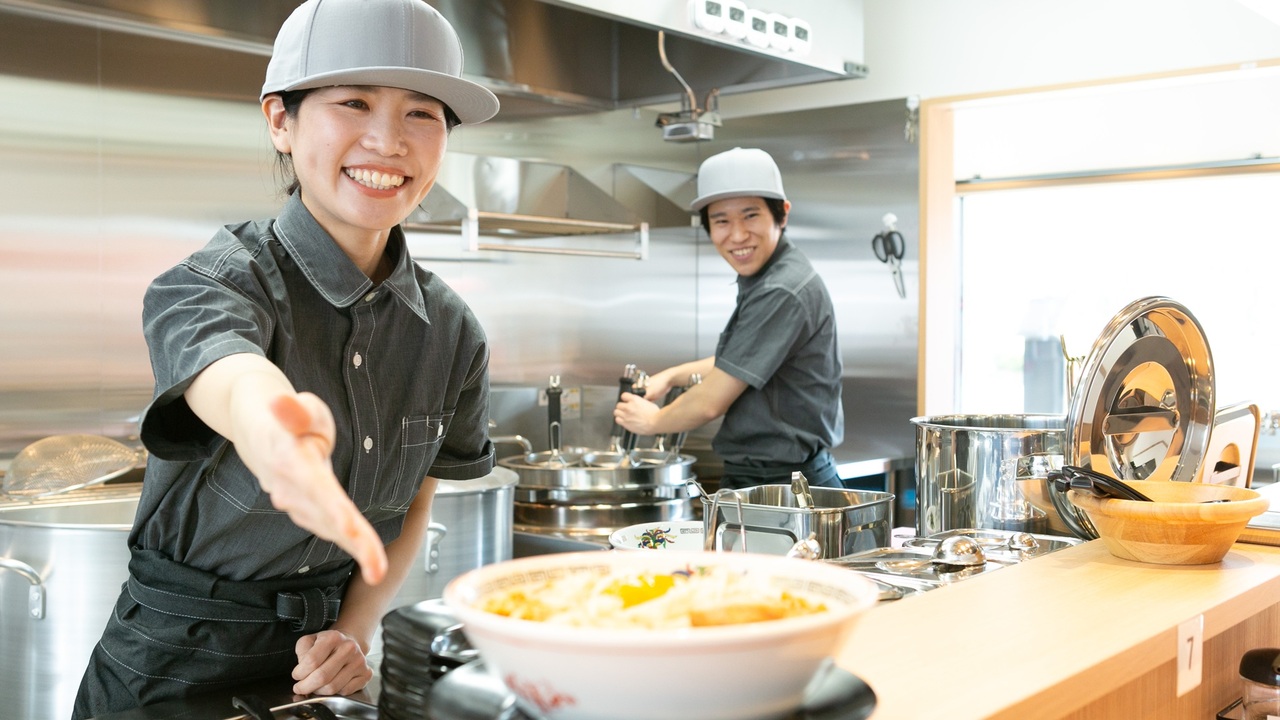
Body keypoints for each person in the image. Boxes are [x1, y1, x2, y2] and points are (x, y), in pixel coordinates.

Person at [71, 0, 500, 716]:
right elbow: (230, 376)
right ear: (281, 120)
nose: (388, 140)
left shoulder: (453, 331)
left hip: (323, 670)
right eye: (354, 103)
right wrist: (276, 434)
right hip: (169, 667)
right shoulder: (212, 281)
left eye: (422, 113)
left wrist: (354, 631)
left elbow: (415, 499)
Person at [613, 147, 844, 491]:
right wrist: (671, 376)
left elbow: (710, 402)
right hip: (772, 480)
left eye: (750, 216)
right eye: (721, 221)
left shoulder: (782, 289)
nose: (736, 235)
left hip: (783, 488)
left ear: (782, 214)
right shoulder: (771, 277)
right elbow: (741, 361)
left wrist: (653, 421)